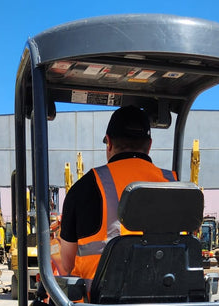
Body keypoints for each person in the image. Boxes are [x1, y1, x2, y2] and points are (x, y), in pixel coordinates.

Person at [58, 105, 175, 278]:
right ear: (149, 145)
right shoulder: (175, 185)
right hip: (167, 299)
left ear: (109, 142)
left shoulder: (84, 187)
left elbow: (67, 264)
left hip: (98, 304)